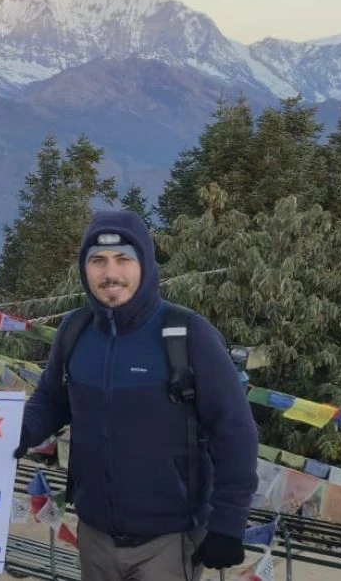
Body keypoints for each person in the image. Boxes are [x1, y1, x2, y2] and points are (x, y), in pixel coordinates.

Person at [15, 210, 259, 581]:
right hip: (93, 535)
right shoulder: (75, 331)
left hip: (169, 540)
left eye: (123, 259)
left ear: (144, 263)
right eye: (97, 260)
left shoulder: (187, 334)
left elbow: (235, 432)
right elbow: (50, 400)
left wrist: (228, 521)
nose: (111, 273)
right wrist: (13, 432)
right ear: (84, 269)